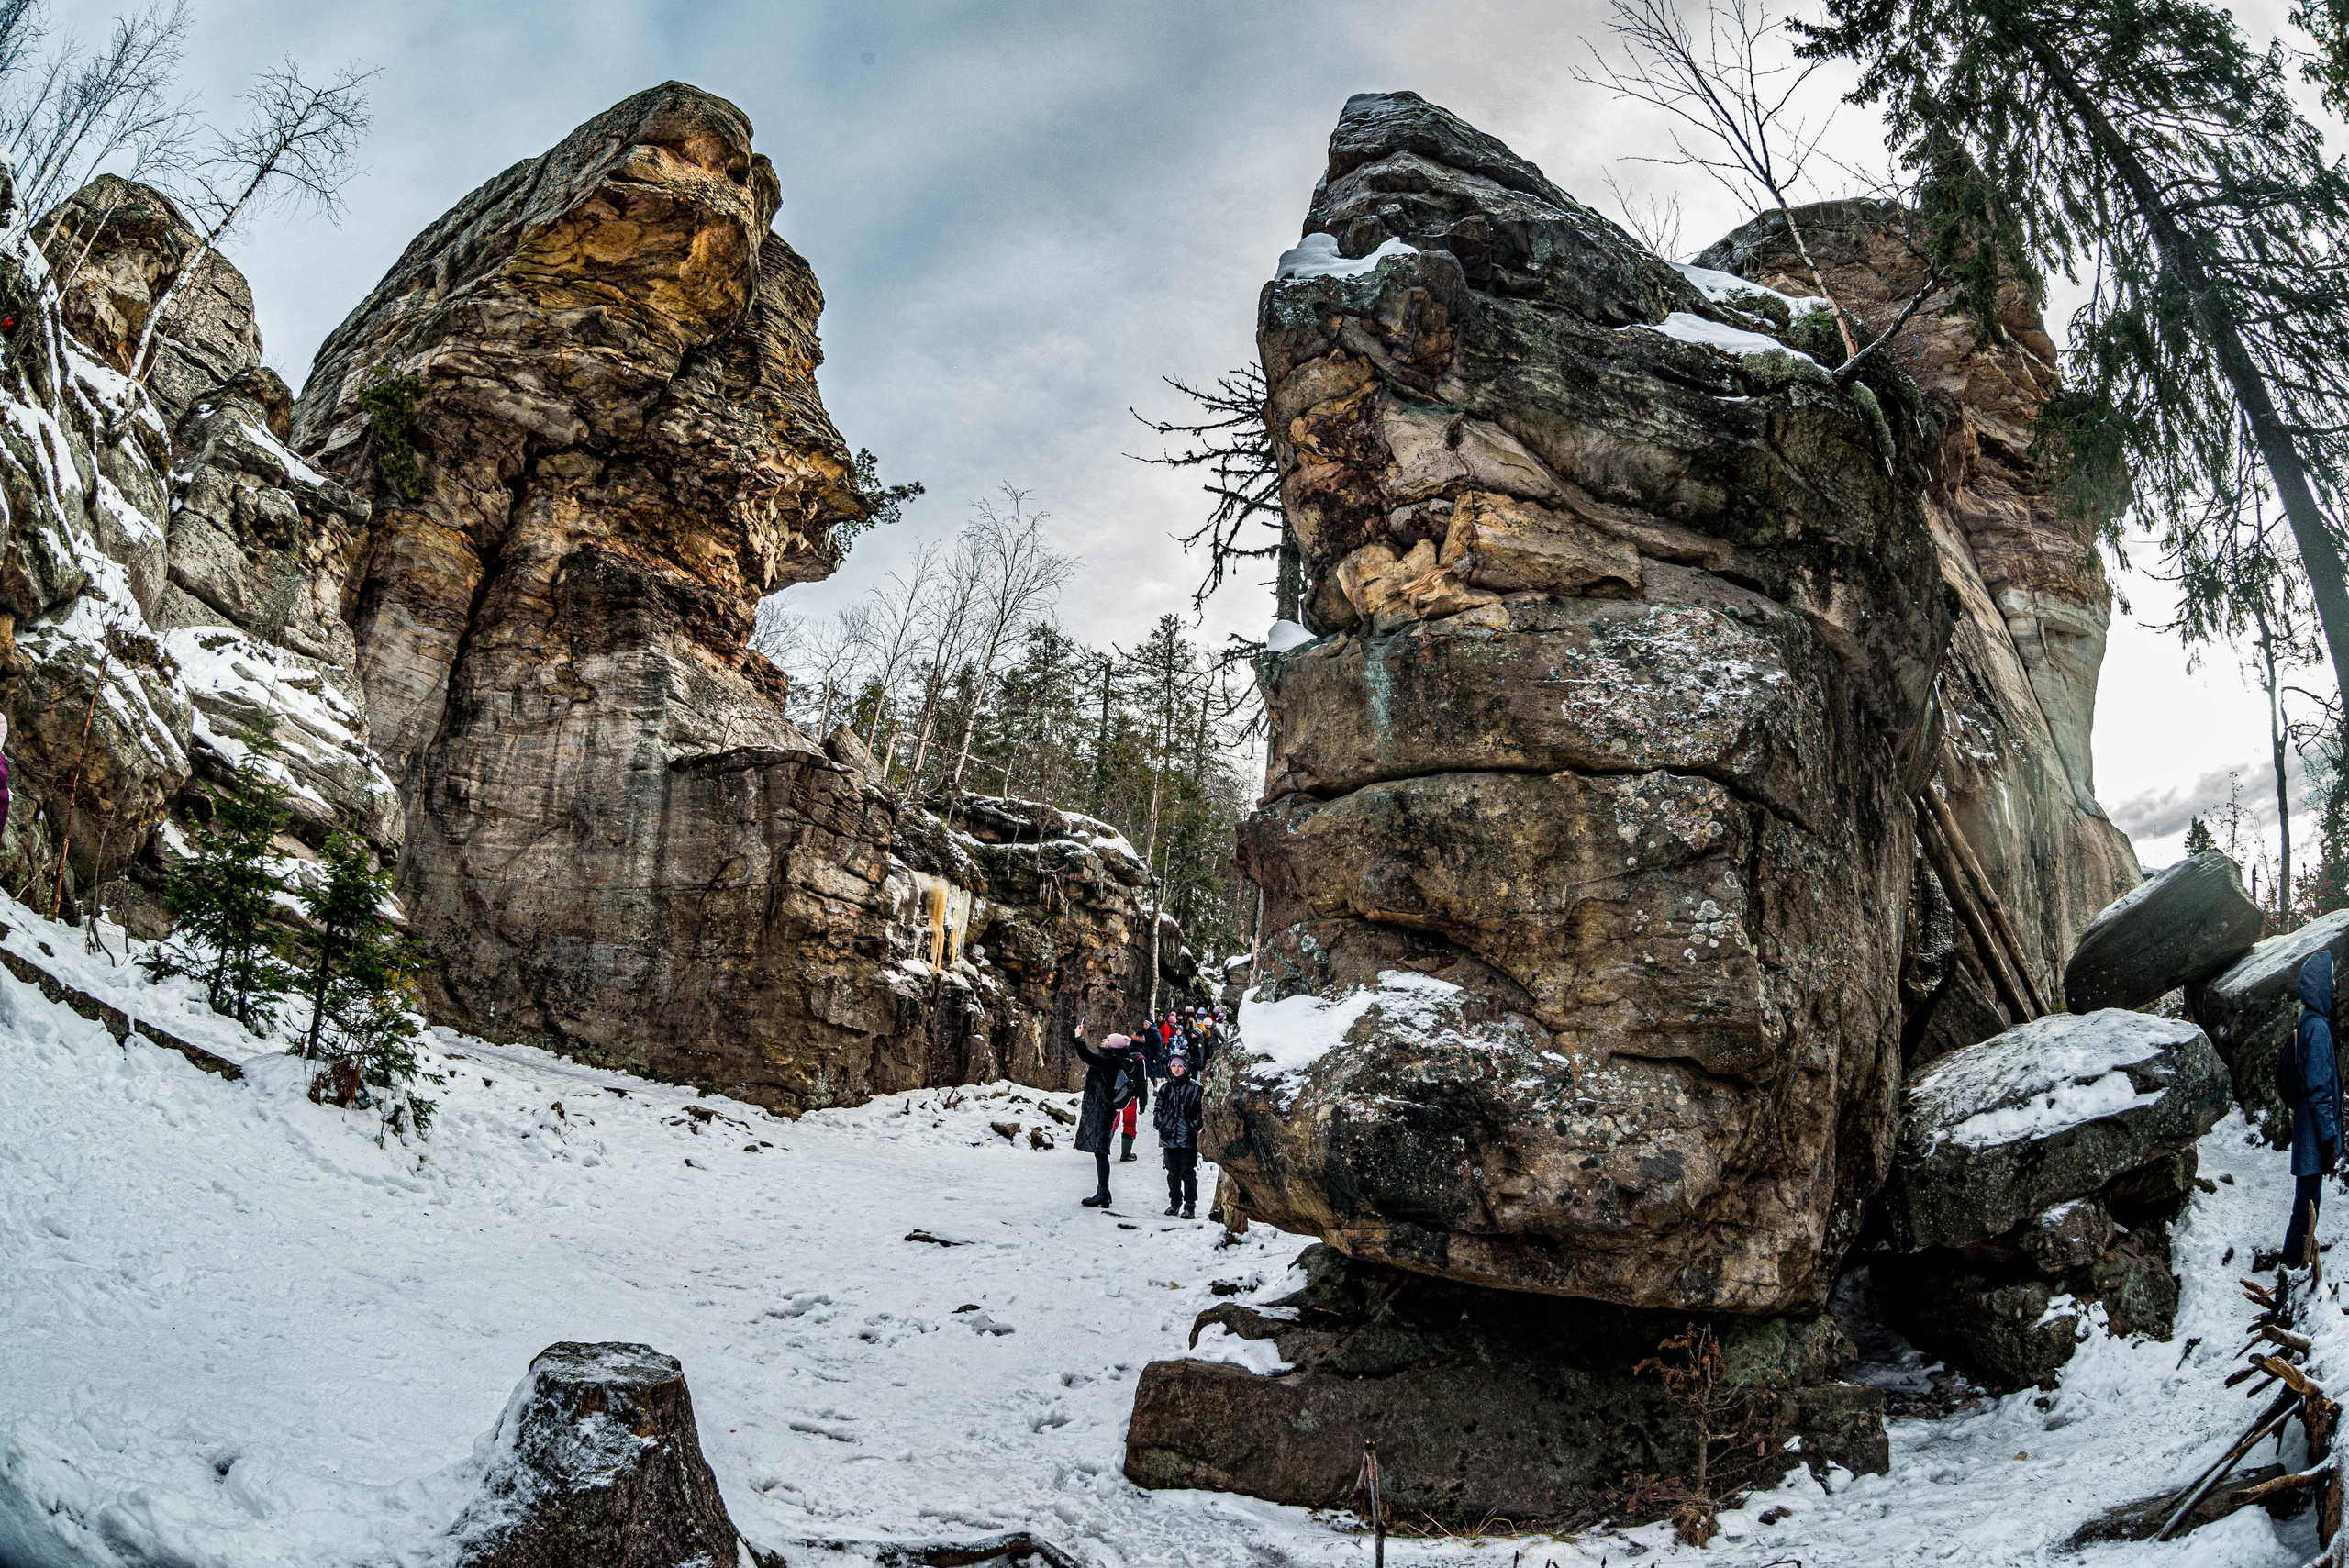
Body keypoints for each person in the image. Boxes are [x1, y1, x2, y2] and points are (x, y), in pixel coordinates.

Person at [2287, 951, 2343, 1268]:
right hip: (2313, 1133)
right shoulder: (2317, 1029)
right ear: (2321, 985)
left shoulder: (2307, 1022)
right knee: (2308, 1205)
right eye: (2331, 979)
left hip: (2308, 1129)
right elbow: (2320, 1090)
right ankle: (2295, 1267)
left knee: (2306, 1203)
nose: (2335, 985)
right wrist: (2328, 1138)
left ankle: (2295, 1261)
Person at [1073, 1026, 1147, 1207]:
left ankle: (1102, 1193)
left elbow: (1087, 1056)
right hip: (1106, 1109)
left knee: (1101, 1151)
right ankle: (1104, 1192)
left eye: (1106, 1039)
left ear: (1112, 1046)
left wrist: (1078, 1038)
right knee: (1101, 1150)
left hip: (1104, 1110)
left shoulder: (1111, 1061)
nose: (1103, 1040)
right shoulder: (1117, 1060)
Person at [1154, 1048, 1204, 1218]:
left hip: (1187, 1138)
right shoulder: (1165, 1088)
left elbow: (1200, 1111)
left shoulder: (1195, 1088)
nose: (1176, 1069)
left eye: (1180, 1066)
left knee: (1188, 1173)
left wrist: (1193, 1125)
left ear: (1187, 1068)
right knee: (1172, 1173)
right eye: (1173, 1065)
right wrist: (1159, 1122)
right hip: (1168, 1137)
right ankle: (1175, 1202)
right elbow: (1159, 1107)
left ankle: (1190, 1205)